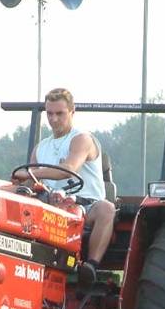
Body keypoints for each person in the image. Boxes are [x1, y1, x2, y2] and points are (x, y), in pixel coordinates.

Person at [10, 87, 115, 288]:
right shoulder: (41, 147)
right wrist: (18, 183)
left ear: (72, 112)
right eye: (50, 114)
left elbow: (68, 170)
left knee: (107, 208)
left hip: (86, 205)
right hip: (50, 206)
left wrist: (29, 173)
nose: (54, 119)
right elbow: (30, 183)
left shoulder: (82, 139)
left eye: (60, 113)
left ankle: (91, 266)